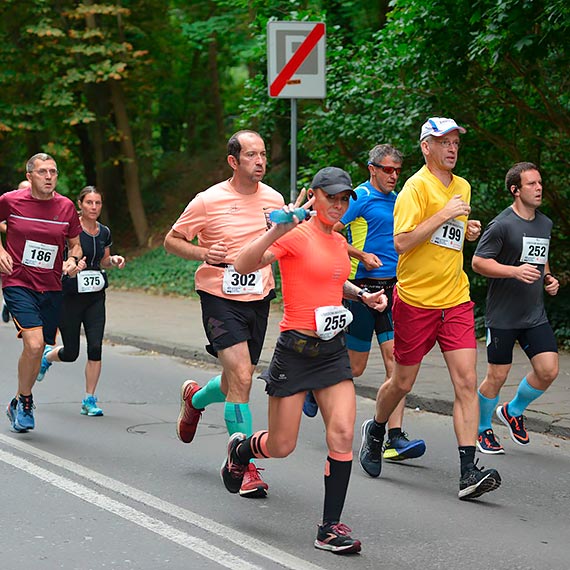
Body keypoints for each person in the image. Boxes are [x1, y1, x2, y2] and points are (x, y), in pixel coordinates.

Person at [223, 166, 388, 555]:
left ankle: (329, 528)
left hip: (331, 351)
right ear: (313, 196)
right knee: (282, 445)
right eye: (331, 197)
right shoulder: (295, 234)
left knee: (343, 434)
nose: (339, 204)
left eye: (345, 198)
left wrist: (361, 297)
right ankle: (241, 450)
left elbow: (332, 280)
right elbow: (244, 264)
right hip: (295, 351)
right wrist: (278, 228)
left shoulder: (337, 239)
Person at [358, 117, 502, 500]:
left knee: (466, 382)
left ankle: (468, 471)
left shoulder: (462, 186)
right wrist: (443, 214)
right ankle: (375, 428)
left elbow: (450, 239)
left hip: (455, 298)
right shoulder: (414, 188)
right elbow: (403, 242)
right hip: (417, 301)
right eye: (443, 142)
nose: (452, 148)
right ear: (426, 147)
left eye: (455, 142)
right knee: (402, 382)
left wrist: (468, 229)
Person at [164, 130, 285, 498]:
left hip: (259, 295)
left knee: (237, 377)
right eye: (251, 155)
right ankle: (242, 462)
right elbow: (172, 241)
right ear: (233, 161)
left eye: (263, 154)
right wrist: (205, 254)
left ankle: (195, 399)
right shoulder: (208, 200)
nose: (260, 161)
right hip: (219, 295)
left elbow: (282, 242)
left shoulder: (274, 199)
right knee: (243, 375)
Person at [330, 144, 425, 463]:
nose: (394, 176)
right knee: (355, 367)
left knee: (395, 364)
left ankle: (393, 437)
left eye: (398, 170)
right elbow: (330, 233)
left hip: (392, 290)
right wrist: (361, 255)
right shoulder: (359, 198)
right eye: (387, 170)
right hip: (361, 289)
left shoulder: (400, 201)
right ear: (372, 169)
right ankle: (320, 381)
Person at [472, 162, 559, 454]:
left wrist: (547, 277)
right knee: (497, 375)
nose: (538, 188)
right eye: (531, 184)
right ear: (515, 190)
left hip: (534, 314)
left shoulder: (544, 223)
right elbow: (478, 262)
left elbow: (541, 256)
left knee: (548, 370)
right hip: (503, 315)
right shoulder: (501, 225)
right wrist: (514, 271)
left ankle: (513, 410)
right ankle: (482, 428)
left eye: (539, 183)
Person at [1, 153, 82, 433]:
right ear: (30, 176)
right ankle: (24, 400)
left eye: (53, 172)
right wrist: (0, 250)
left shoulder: (67, 207)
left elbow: (75, 244)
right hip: (18, 281)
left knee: (40, 350)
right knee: (33, 345)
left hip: (51, 288)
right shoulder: (10, 201)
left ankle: (18, 400)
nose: (49, 177)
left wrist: (72, 260)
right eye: (43, 172)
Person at [36, 186, 126, 417]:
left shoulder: (104, 231)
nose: (94, 207)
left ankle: (89, 399)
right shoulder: (69, 230)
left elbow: (103, 260)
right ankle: (47, 357)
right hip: (70, 296)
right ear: (80, 204)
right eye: (89, 203)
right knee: (71, 353)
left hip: (95, 296)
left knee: (95, 347)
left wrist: (113, 260)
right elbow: (58, 259)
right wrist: (73, 266)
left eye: (98, 203)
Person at [1, 181, 31, 323]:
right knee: (15, 280)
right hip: (16, 251)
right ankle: (7, 304)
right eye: (23, 189)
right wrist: (10, 230)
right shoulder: (12, 203)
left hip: (35, 256)